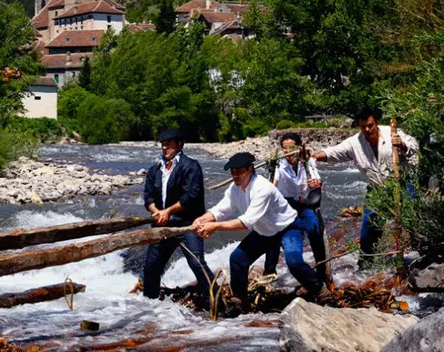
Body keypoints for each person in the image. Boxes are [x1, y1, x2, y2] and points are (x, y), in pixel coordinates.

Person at [193, 152, 330, 314]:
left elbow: (246, 222)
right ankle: (239, 302)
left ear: (250, 170)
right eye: (232, 171)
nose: (235, 175)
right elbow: (220, 210)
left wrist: (214, 227)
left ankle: (322, 292)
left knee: (294, 262)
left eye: (239, 171)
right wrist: (202, 219)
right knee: (237, 259)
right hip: (265, 231)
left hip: (288, 228)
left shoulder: (263, 188)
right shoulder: (234, 189)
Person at [311, 106, 418, 264]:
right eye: (363, 127)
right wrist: (313, 157)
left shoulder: (393, 133)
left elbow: (414, 147)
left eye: (370, 125)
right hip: (377, 187)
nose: (367, 130)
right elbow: (333, 153)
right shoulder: (355, 143)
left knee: (412, 219)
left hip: (402, 182)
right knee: (369, 226)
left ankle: (421, 254)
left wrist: (402, 144)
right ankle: (366, 264)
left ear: (376, 123)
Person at [141, 128, 215, 308]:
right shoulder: (155, 169)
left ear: (180, 145)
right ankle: (148, 305)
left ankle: (214, 301)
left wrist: (168, 211)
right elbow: (148, 197)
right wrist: (156, 211)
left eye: (169, 145)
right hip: (162, 225)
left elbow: (191, 196)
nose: (165, 148)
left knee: (197, 263)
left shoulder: (191, 166)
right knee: (151, 268)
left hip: (188, 224)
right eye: (163, 145)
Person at [264, 133, 328, 283]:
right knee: (273, 231)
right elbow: (274, 182)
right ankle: (269, 271)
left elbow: (317, 180)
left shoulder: (307, 162)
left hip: (305, 203)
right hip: (286, 205)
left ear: (298, 148)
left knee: (315, 230)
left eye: (291, 148)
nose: (288, 152)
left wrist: (316, 183)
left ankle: (322, 270)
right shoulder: (279, 164)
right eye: (285, 149)